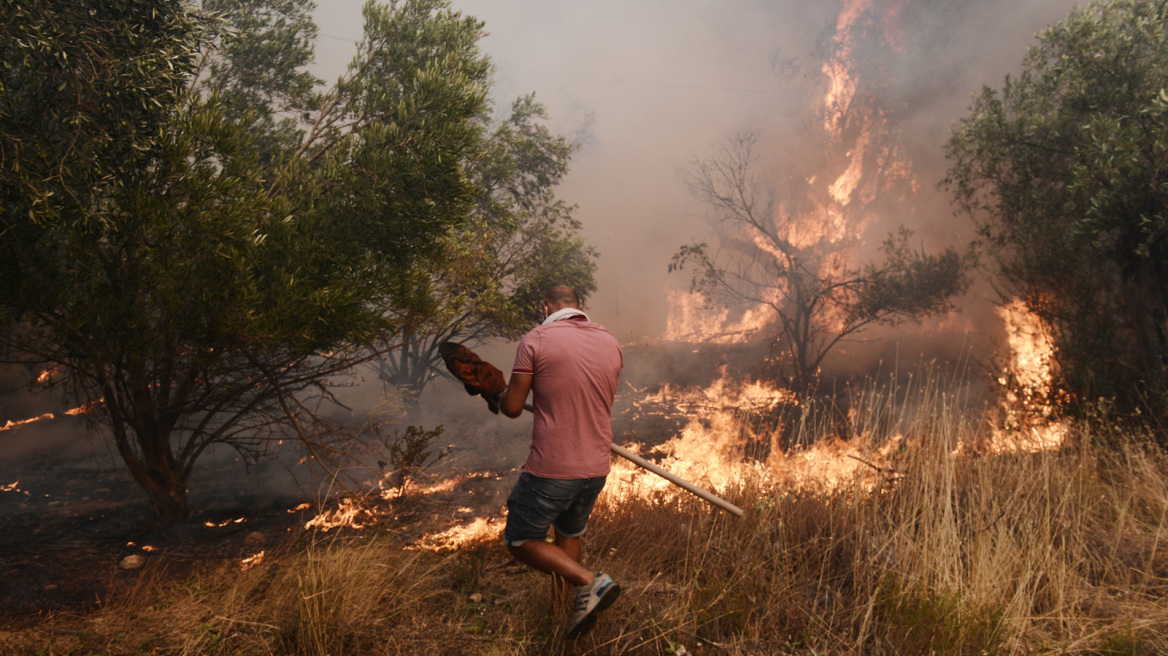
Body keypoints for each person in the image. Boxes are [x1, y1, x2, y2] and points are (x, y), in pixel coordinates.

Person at [497, 285, 624, 638]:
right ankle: (566, 613)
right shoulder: (609, 341)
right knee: (569, 534)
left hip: (554, 467)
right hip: (596, 466)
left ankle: (591, 582)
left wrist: (498, 392)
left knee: (520, 539)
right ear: (579, 308)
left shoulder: (537, 339)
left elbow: (510, 407)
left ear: (545, 307)